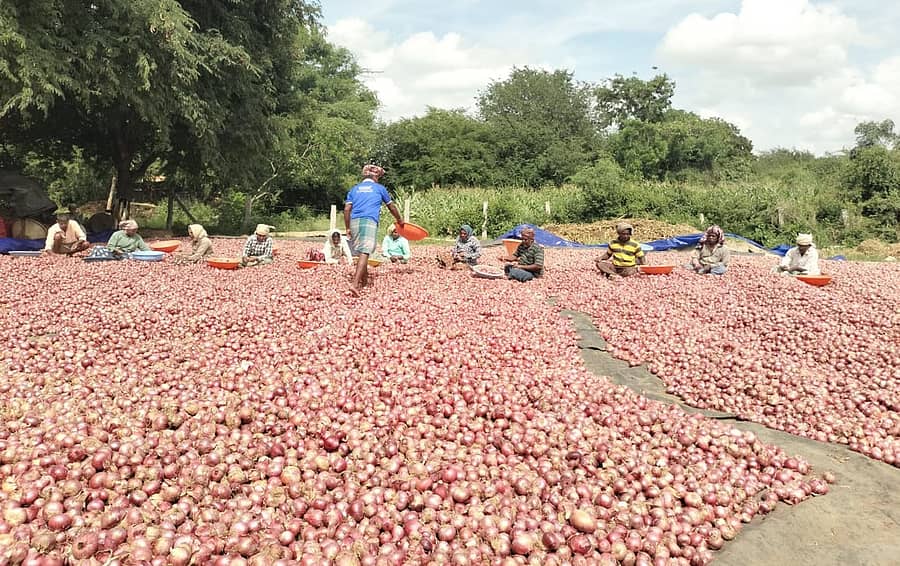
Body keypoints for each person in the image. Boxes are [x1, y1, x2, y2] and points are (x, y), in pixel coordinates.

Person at [344, 164, 404, 296]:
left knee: (360, 252)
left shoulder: (354, 189)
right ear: (375, 177)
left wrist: (347, 227)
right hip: (369, 220)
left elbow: (347, 209)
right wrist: (400, 220)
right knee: (365, 251)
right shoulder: (379, 188)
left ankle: (364, 281)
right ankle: (355, 284)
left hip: (354, 220)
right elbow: (391, 207)